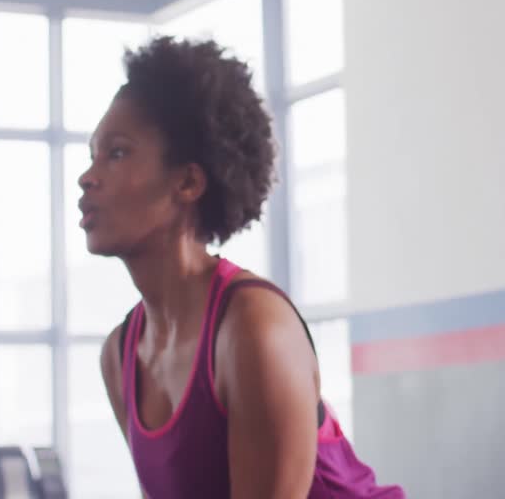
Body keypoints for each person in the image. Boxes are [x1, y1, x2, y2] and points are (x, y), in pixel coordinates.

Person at [85, 35, 404, 499]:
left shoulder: (253, 329)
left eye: (116, 153)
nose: (87, 177)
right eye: (92, 155)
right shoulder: (119, 356)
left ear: (188, 182)